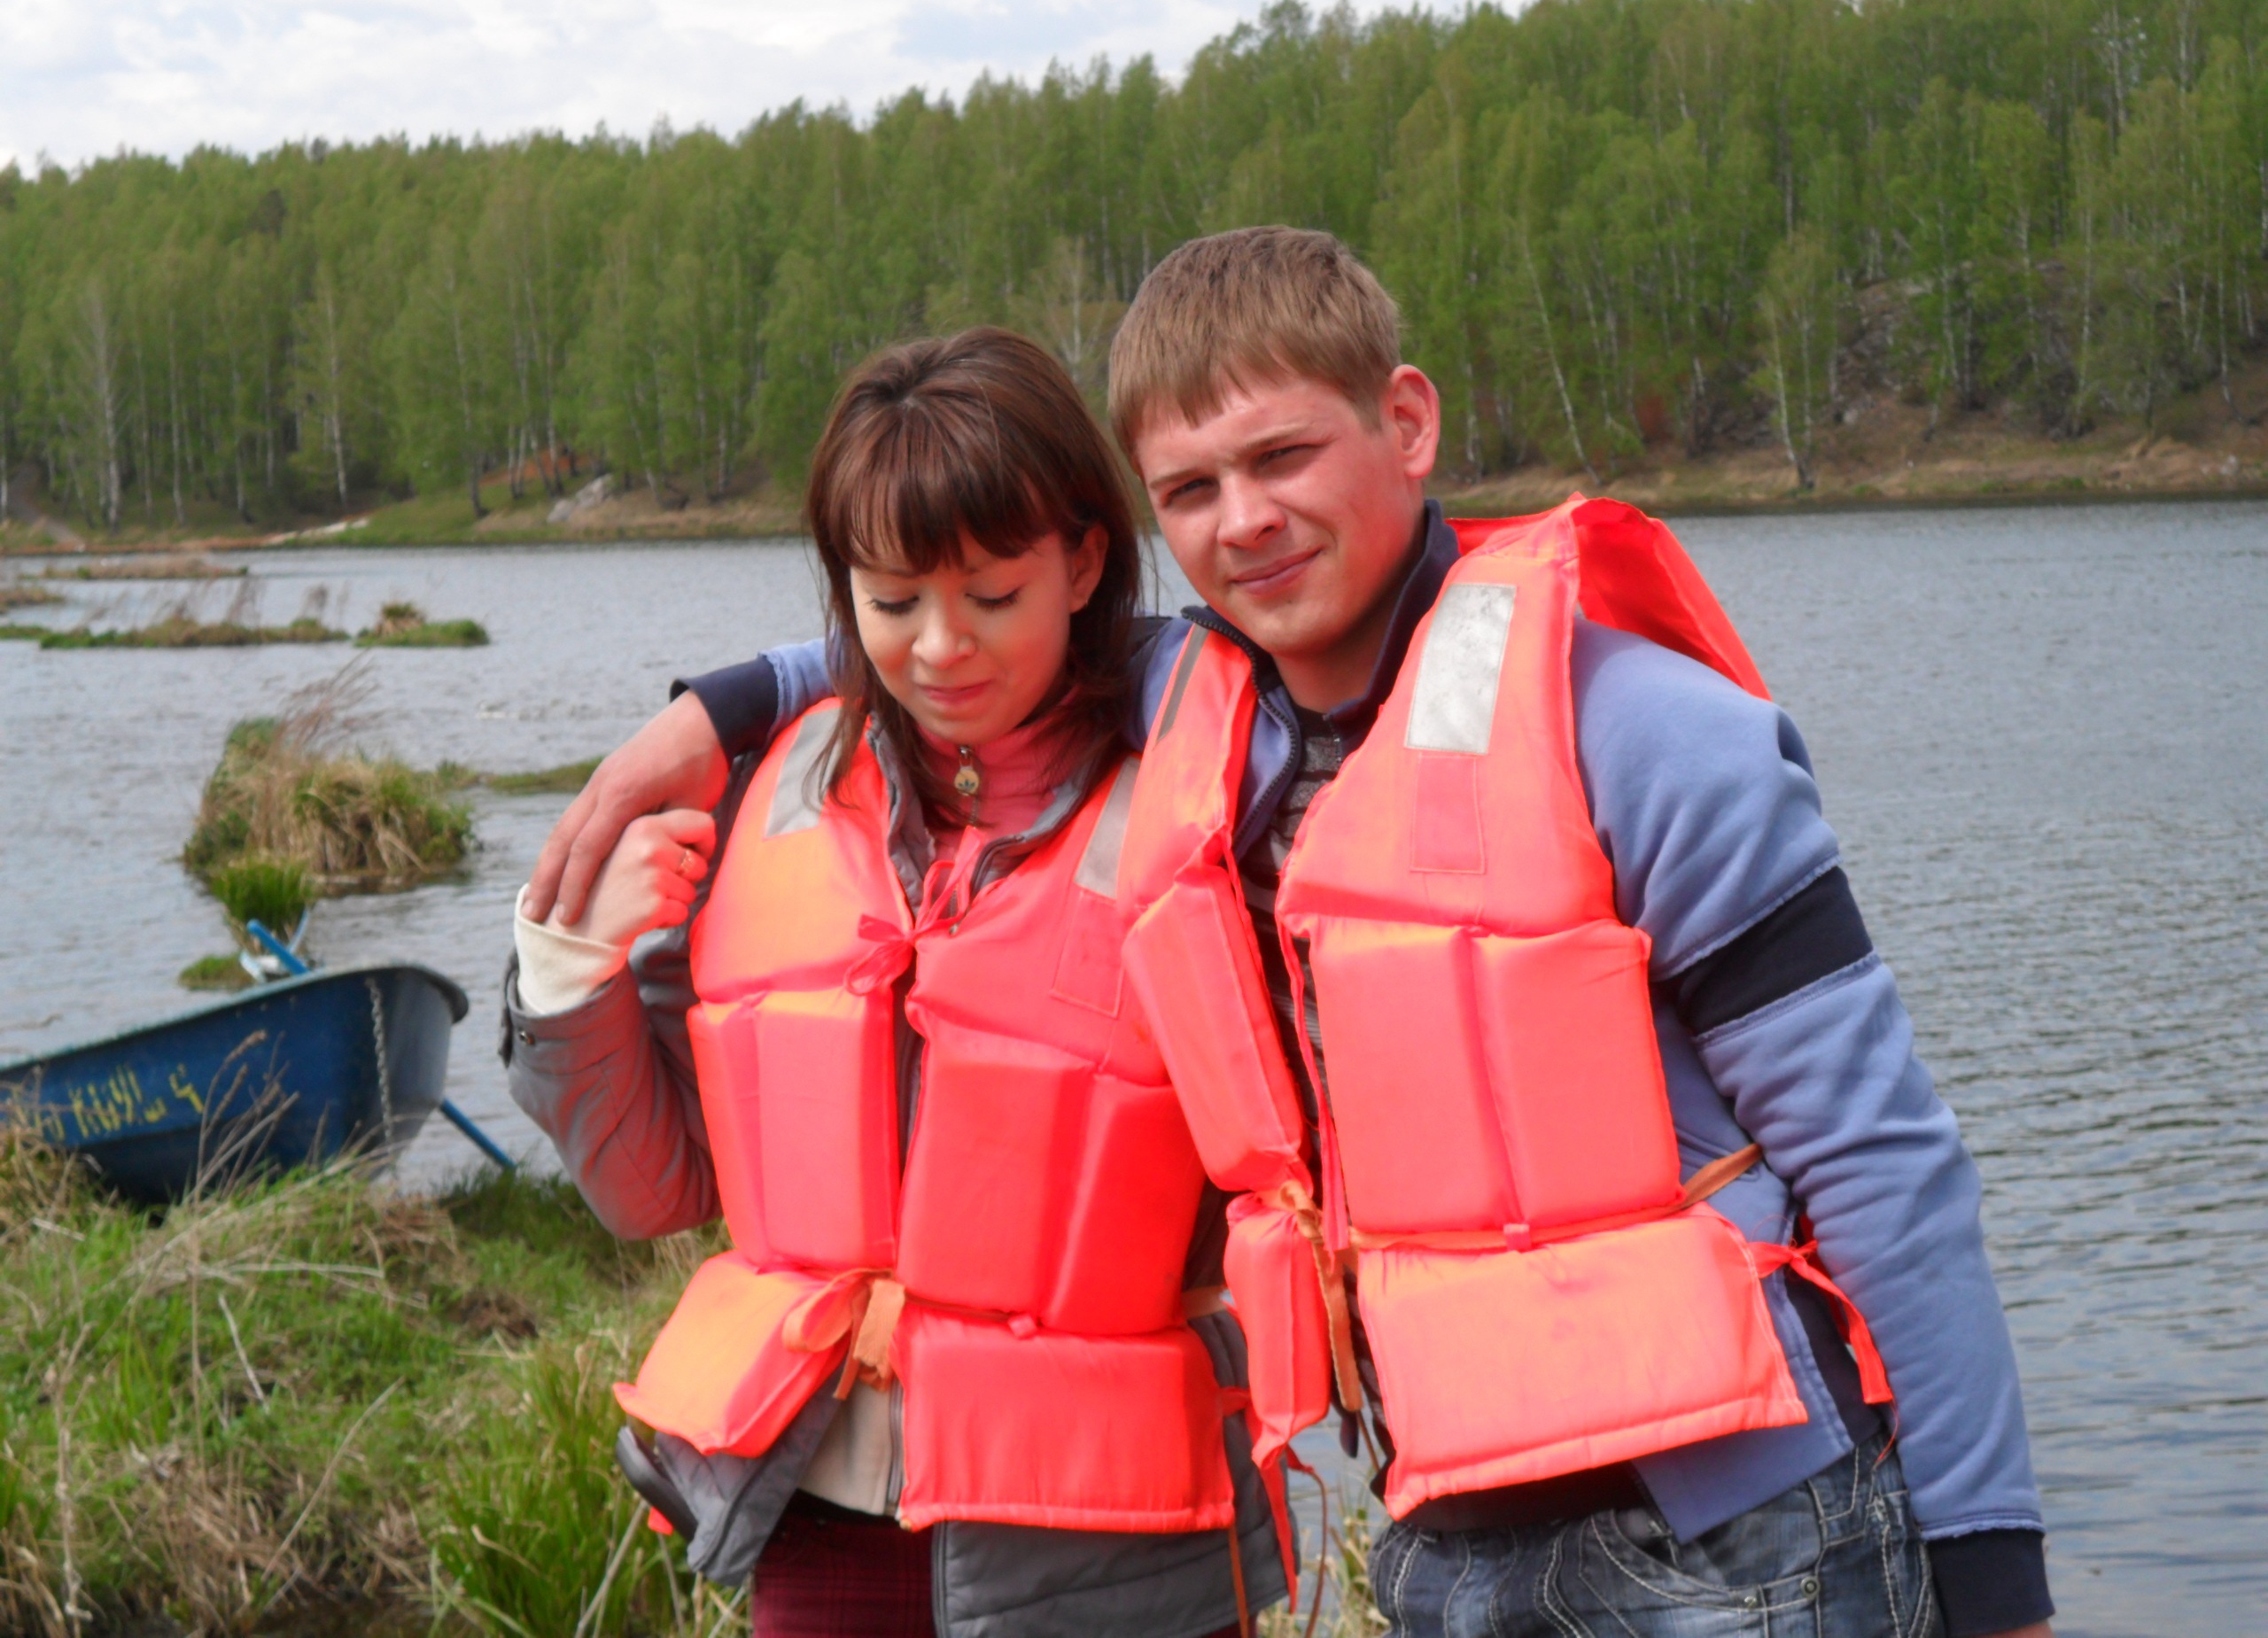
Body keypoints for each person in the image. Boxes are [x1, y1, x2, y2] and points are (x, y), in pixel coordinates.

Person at [525, 229, 2056, 1638]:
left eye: (1282, 457)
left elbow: (1885, 1165)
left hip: (1745, 1529)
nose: (1244, 520)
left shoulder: (1649, 732)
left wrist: (1996, 1582)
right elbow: (957, 639)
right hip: (1446, 1537)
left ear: (1407, 422)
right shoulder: (1213, 721)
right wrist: (718, 709)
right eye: (1191, 490)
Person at [502, 327, 1287, 1638]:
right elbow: (650, 1190)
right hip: (820, 1520)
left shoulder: (1208, 798)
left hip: (1121, 1545)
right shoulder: (765, 799)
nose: (940, 648)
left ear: (1084, 562)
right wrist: (566, 974)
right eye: (893, 602)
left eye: (992, 596)